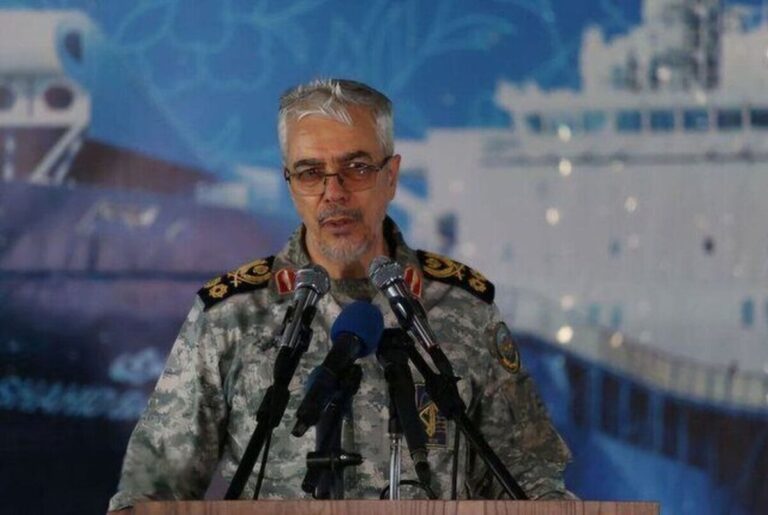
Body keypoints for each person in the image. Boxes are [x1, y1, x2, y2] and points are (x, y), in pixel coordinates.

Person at [107, 78, 571, 512]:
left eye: (357, 168)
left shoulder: (463, 308)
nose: (334, 192)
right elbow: (150, 489)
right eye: (310, 173)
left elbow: (531, 480)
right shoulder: (233, 314)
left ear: (391, 176)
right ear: (290, 184)